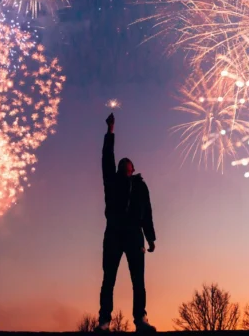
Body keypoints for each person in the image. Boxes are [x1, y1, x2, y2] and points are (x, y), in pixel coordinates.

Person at [94, 113, 157, 333]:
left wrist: (150, 236)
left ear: (132, 168)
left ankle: (140, 319)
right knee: (108, 278)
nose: (122, 164)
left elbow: (147, 212)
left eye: (126, 163)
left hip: (134, 235)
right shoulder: (111, 181)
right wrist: (110, 131)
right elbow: (106, 156)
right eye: (120, 163)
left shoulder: (140, 186)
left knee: (138, 281)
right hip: (113, 233)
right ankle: (104, 321)